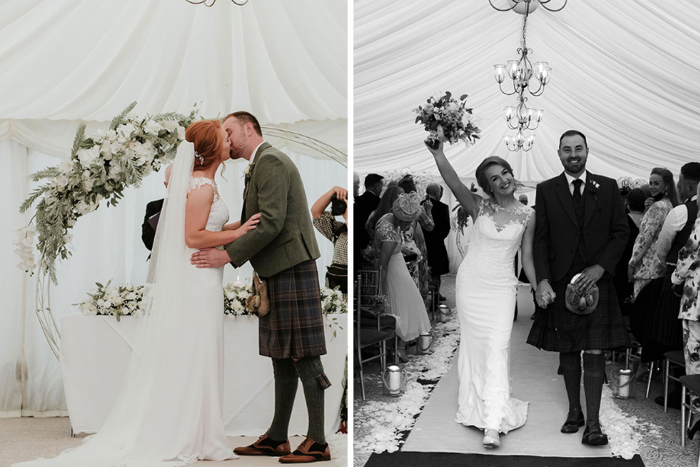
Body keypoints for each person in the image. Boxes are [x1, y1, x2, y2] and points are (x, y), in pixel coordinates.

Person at [14, 120, 261, 467]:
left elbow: (212, 227)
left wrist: (241, 226)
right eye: (224, 137)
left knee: (199, 355)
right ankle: (191, 435)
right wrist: (237, 236)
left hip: (204, 278)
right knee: (197, 355)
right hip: (198, 280)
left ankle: (201, 433)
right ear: (209, 151)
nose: (229, 142)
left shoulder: (204, 184)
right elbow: (193, 237)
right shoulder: (202, 186)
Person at [191, 111, 332, 463]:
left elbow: (270, 224)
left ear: (249, 128)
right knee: (282, 356)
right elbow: (255, 221)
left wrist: (226, 256)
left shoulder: (270, 162)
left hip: (291, 267)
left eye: (229, 131)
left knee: (302, 352)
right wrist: (226, 239)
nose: (226, 139)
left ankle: (317, 441)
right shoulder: (261, 163)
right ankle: (277, 438)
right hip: (276, 268)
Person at [425, 141, 537, 449]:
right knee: (475, 348)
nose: (503, 180)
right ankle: (476, 400)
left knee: (498, 348)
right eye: (495, 179)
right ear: (487, 186)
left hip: (502, 288)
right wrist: (439, 154)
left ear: (512, 174)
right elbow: (453, 182)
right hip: (471, 285)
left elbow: (526, 258)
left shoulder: (528, 214)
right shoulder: (479, 206)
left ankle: (492, 421)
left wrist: (539, 286)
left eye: (505, 173)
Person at [528, 130, 630, 447]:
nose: (574, 154)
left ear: (588, 151)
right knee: (569, 348)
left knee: (595, 350)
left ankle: (594, 425)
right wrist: (542, 279)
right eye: (567, 149)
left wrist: (601, 268)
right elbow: (541, 239)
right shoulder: (546, 190)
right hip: (561, 282)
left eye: (579, 149)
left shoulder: (608, 187)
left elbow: (621, 232)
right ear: (559, 154)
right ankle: (575, 412)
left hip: (599, 282)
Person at [638, 162, 700, 407]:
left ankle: (693, 407)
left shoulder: (681, 212)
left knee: (684, 345)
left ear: (684, 183)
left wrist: (674, 276)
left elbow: (669, 249)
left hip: (689, 290)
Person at [374, 192, 432, 362]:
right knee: (403, 307)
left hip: (398, 265)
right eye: (408, 222)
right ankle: (398, 349)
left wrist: (406, 250)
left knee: (405, 307)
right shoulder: (389, 235)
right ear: (400, 218)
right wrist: (381, 293)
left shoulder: (386, 218)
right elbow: (382, 267)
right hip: (394, 273)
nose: (409, 226)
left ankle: (398, 347)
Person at [671, 182, 700, 436]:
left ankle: (696, 419)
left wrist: (675, 279)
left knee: (695, 359)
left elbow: (688, 255)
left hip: (697, 304)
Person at [628, 168, 679, 300]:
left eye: (656, 183)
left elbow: (645, 237)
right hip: (659, 267)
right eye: (650, 183)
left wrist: (632, 262)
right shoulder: (670, 205)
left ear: (666, 186)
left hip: (647, 267)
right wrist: (646, 211)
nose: (652, 187)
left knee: (641, 307)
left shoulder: (658, 207)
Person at [615, 187, 647, 316]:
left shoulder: (620, 221)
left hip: (621, 267)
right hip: (641, 268)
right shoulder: (648, 221)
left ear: (627, 203)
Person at [311, 186, 348, 294]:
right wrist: (333, 191)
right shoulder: (340, 230)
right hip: (335, 282)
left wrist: (348, 218)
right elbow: (316, 213)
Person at [422, 183, 451, 301]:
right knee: (436, 271)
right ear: (437, 193)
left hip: (423, 243)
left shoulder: (419, 205)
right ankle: (436, 294)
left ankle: (424, 292)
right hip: (437, 243)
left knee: (424, 269)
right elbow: (446, 228)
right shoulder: (442, 207)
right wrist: (438, 238)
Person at [355, 173, 384, 273]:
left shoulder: (357, 201)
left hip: (358, 243)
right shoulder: (380, 203)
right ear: (376, 187)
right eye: (381, 186)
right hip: (374, 244)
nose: (381, 189)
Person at [141, 164, 172, 253]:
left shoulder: (197, 205)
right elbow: (148, 242)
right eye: (173, 183)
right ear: (166, 185)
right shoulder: (154, 207)